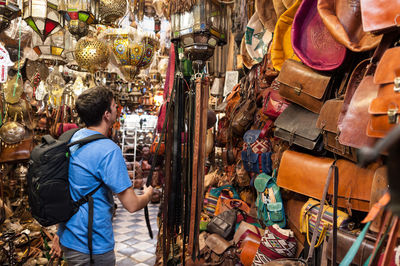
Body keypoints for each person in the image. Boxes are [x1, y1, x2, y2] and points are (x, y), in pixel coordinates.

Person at [50, 86, 153, 265]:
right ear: (106, 114)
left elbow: (68, 189)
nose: (116, 110)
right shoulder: (108, 150)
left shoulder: (73, 138)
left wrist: (59, 234)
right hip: (92, 245)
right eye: (114, 106)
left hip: (69, 238)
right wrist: (148, 194)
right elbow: (131, 204)